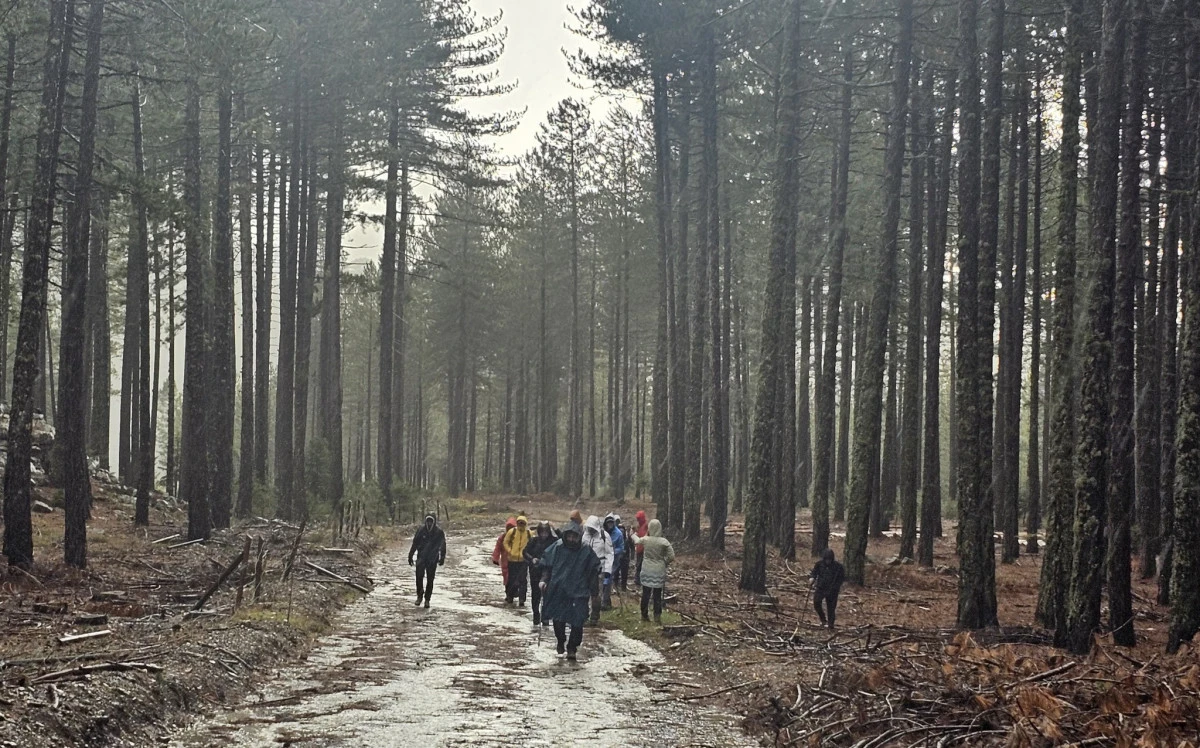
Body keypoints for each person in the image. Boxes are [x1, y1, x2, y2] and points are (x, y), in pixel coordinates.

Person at [539, 520, 601, 661]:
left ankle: (572, 647)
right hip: (559, 590)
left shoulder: (586, 551)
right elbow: (548, 566)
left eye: (574, 537)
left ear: (579, 537)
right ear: (565, 535)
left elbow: (593, 573)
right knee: (558, 619)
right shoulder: (557, 547)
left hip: (579, 592)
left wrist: (594, 593)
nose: (571, 539)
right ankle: (561, 640)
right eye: (569, 536)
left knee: (578, 621)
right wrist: (544, 580)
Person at [634, 519, 674, 623]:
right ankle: (657, 617)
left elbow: (637, 541)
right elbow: (671, 556)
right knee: (657, 595)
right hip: (659, 571)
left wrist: (632, 534)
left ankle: (644, 615)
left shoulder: (646, 540)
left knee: (646, 593)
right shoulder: (664, 542)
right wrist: (664, 562)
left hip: (647, 569)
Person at [408, 514, 447, 608]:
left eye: (431, 521)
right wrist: (410, 555)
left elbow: (443, 545)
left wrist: (442, 557)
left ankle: (427, 599)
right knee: (419, 577)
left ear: (434, 522)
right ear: (425, 521)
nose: (429, 523)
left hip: (432, 559)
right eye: (428, 521)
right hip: (421, 557)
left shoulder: (439, 532)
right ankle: (419, 596)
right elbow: (415, 543)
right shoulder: (420, 530)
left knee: (430, 579)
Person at [524, 521, 557, 628]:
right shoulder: (533, 541)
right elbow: (525, 552)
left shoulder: (553, 541)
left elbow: (563, 540)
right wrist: (532, 559)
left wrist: (555, 529)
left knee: (547, 595)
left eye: (546, 532)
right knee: (535, 595)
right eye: (542, 532)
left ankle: (545, 617)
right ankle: (536, 614)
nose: (544, 535)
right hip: (535, 571)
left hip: (548, 571)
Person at [582, 515, 614, 623]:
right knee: (584, 592)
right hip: (586, 567)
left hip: (599, 568)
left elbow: (609, 553)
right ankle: (584, 614)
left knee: (596, 593)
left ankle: (594, 616)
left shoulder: (604, 536)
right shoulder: (585, 535)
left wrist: (608, 570)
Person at [810, 548, 846, 629]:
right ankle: (823, 619)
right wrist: (812, 578)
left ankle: (830, 624)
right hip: (821, 588)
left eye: (829, 559)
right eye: (826, 559)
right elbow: (814, 572)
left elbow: (841, 578)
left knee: (831, 608)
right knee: (816, 603)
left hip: (832, 590)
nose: (828, 561)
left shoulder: (838, 567)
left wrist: (836, 587)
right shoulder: (819, 564)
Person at [503, 515, 533, 606]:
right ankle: (510, 596)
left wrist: (528, 555)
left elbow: (532, 544)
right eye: (519, 523)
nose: (521, 524)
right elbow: (505, 542)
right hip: (512, 560)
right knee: (511, 579)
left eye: (523, 523)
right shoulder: (512, 532)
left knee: (523, 580)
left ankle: (522, 599)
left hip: (524, 561)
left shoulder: (529, 533)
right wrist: (510, 551)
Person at [603, 514, 625, 604]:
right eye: (608, 523)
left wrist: (612, 551)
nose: (610, 525)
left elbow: (621, 547)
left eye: (611, 523)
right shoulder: (602, 532)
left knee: (608, 579)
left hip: (613, 560)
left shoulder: (618, 534)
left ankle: (606, 601)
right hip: (602, 558)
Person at [491, 517, 517, 591]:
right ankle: (508, 590)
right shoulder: (502, 537)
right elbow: (497, 548)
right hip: (505, 561)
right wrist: (495, 558)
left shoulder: (518, 537)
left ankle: (514, 590)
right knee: (506, 576)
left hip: (516, 560)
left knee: (515, 576)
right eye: (508, 528)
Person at [612, 514, 631, 591]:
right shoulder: (616, 537)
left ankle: (623, 587)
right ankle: (616, 585)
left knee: (624, 574)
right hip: (618, 557)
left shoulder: (626, 539)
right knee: (616, 572)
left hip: (624, 559)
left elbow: (629, 548)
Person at [632, 510, 649, 586]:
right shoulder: (639, 526)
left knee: (642, 565)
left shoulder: (646, 526)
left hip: (644, 549)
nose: (638, 520)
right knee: (638, 564)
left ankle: (640, 579)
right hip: (639, 548)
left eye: (639, 518)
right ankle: (637, 579)